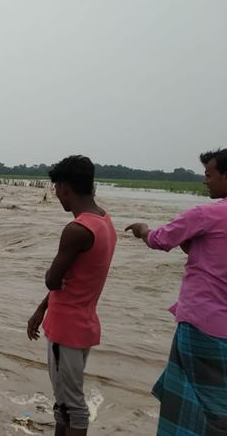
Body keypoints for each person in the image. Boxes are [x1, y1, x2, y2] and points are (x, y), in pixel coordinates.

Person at [125, 149, 227, 436]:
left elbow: (161, 238)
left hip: (202, 326)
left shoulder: (207, 213)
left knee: (193, 403)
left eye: (209, 175)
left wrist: (144, 230)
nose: (205, 181)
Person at [27, 155, 117, 436]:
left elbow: (53, 279)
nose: (56, 196)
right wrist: (41, 308)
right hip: (83, 323)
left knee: (72, 406)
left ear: (65, 187)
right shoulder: (104, 221)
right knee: (65, 403)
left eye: (56, 189)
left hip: (65, 328)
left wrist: (45, 301)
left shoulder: (76, 230)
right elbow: (72, 280)